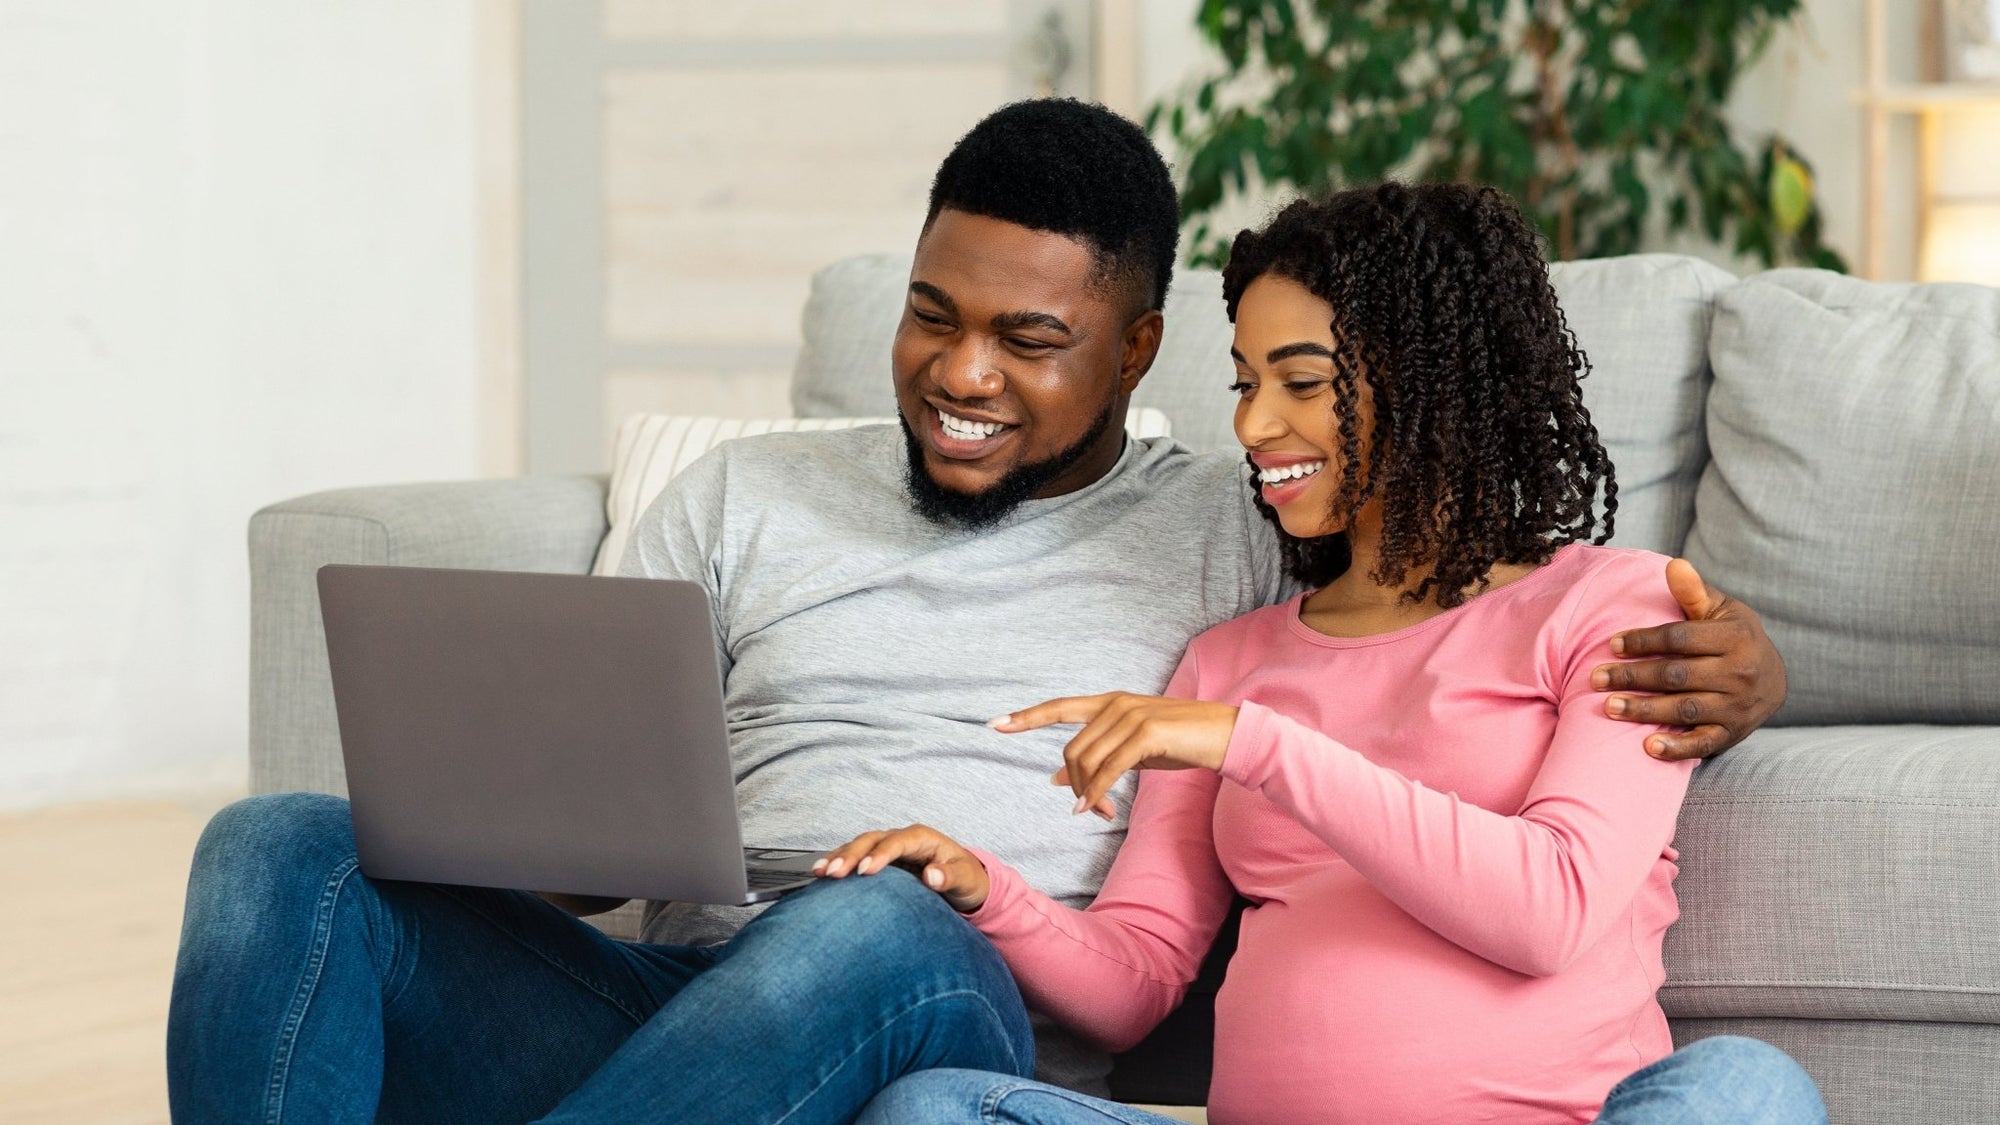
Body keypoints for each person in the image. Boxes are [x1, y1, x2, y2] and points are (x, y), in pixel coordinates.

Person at [168, 101, 1787, 1123]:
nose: (961, 373)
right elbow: (597, 814)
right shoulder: (743, 495)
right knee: (279, 847)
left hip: (926, 990)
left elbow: (1456, 597)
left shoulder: (1231, 540)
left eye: (1026, 338)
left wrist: (1756, 661)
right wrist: (535, 836)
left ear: (1136, 351)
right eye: (933, 318)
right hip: (681, 997)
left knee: (872, 922)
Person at [820, 184, 1825, 1124]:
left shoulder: (1613, 605)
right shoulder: (1228, 661)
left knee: (1743, 1085)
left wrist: (1257, 746)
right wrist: (982, 890)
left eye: (1300, 382)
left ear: (1431, 381)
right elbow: (1137, 980)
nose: (1253, 425)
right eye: (1246, 382)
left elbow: (1549, 912)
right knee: (938, 1107)